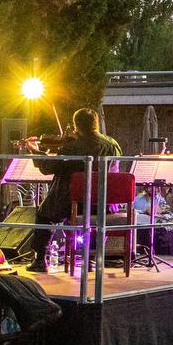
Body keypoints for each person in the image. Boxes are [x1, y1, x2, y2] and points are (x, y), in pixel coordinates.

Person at [32, 108, 124, 274]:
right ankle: (89, 257)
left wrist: (35, 153)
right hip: (105, 204)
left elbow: (48, 168)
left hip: (76, 203)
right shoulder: (113, 145)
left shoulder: (72, 147)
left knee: (44, 213)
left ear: (76, 126)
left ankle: (40, 259)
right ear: (95, 124)